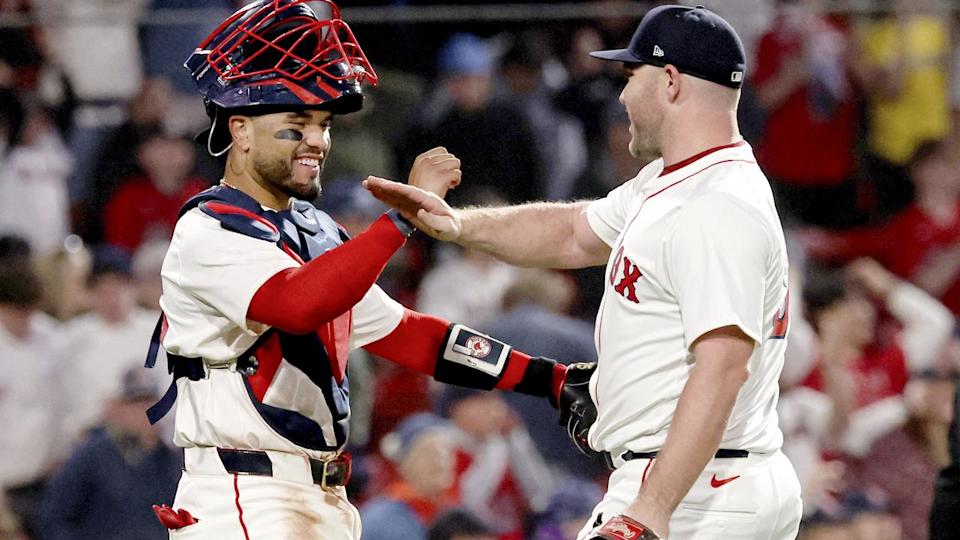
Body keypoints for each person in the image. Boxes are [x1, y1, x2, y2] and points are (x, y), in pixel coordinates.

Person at [147, 2, 591, 539]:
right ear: (239, 130)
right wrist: (400, 221)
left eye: (322, 124)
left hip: (319, 494)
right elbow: (296, 303)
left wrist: (547, 377)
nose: (317, 140)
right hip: (241, 492)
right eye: (296, 125)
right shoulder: (208, 230)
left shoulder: (314, 231)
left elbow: (410, 335)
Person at [366, 5, 803, 538]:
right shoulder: (674, 184)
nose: (620, 95)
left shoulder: (715, 204)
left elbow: (724, 367)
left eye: (630, 76)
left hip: (697, 491)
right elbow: (572, 230)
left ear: (669, 81)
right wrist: (461, 226)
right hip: (697, 480)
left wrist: (652, 509)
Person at [40, 367, 181, 540]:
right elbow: (54, 517)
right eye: (136, 404)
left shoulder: (172, 460)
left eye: (150, 402)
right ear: (119, 408)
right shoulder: (92, 456)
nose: (145, 411)